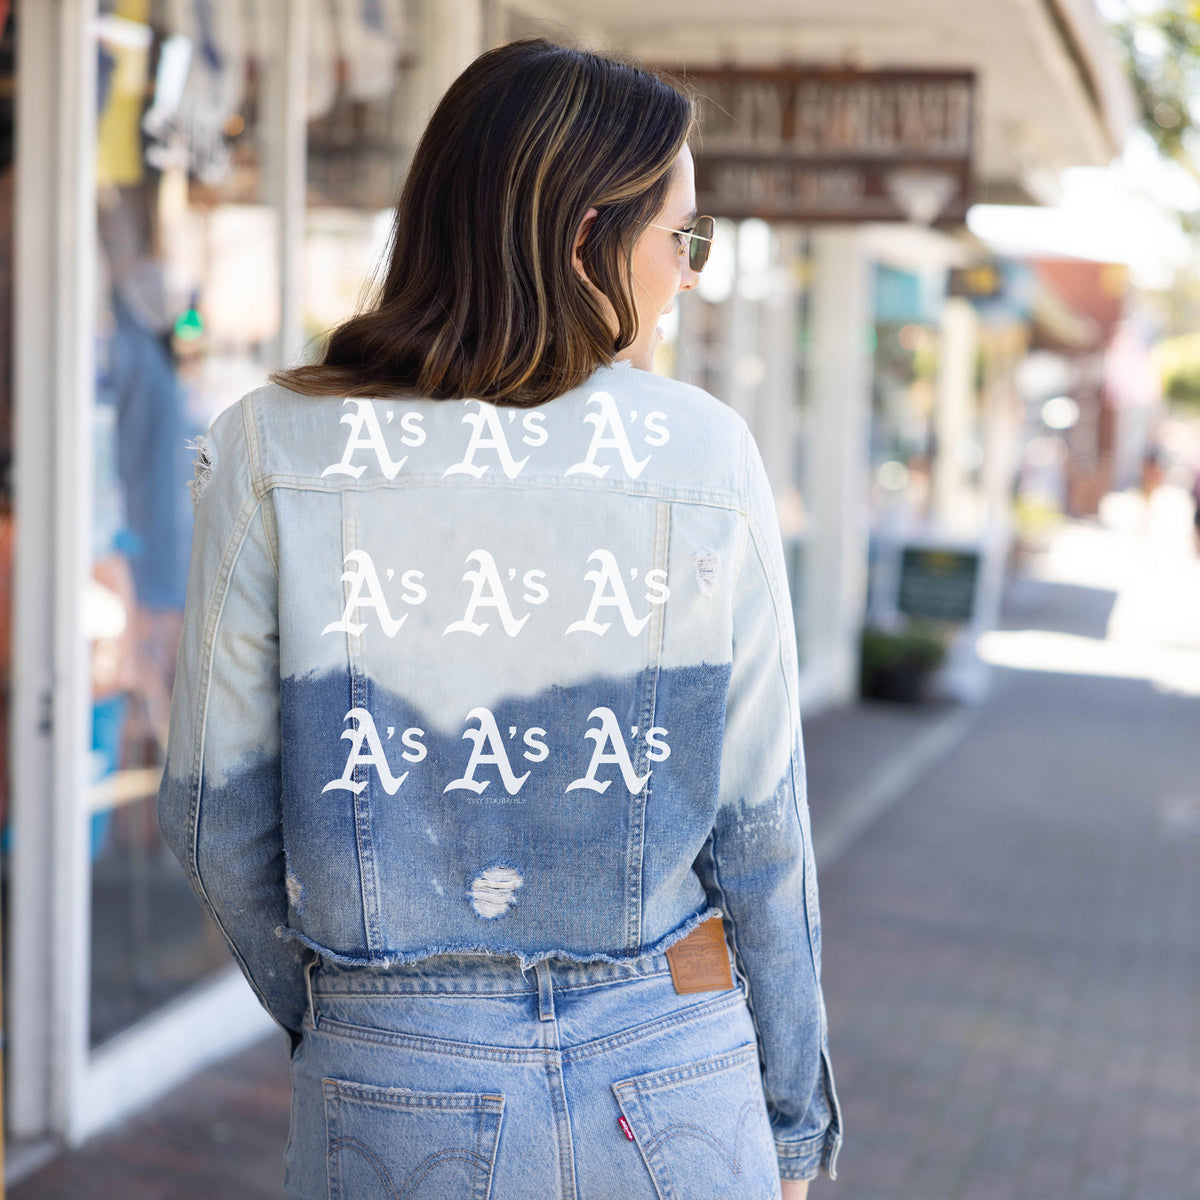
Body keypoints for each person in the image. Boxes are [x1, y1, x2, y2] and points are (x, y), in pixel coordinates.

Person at [159, 38, 841, 1199]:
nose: (689, 274)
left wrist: (357, 1023)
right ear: (585, 242)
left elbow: (213, 814)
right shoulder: (705, 451)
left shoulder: (274, 445)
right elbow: (760, 830)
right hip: (673, 1079)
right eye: (680, 238)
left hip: (391, 1077)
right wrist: (788, 1127)